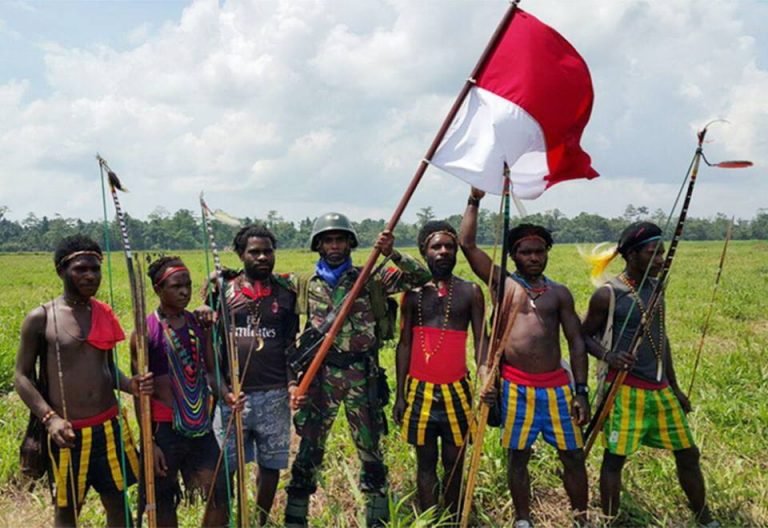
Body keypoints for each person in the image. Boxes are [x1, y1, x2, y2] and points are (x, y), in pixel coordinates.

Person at [284, 212, 431, 528]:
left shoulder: (373, 277)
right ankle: (295, 519)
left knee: (370, 450)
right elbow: (262, 281)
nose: (335, 246)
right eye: (328, 240)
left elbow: (421, 276)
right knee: (309, 449)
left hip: (361, 376)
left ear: (350, 243)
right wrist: (222, 279)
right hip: (320, 377)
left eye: (340, 240)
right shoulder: (304, 283)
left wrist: (392, 252)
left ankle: (377, 520)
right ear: (318, 246)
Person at [459, 188, 590, 528]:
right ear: (514, 256)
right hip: (516, 387)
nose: (534, 257)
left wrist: (581, 391)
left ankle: (582, 518)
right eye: (525, 252)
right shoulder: (503, 284)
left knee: (573, 455)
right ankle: (523, 520)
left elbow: (576, 342)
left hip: (557, 388)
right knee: (518, 457)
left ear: (547, 253)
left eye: (539, 251)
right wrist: (474, 200)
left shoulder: (559, 293)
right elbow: (467, 245)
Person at [581, 221, 718, 527]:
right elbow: (581, 335)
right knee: (614, 460)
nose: (660, 260)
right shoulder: (609, 294)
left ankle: (705, 518)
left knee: (688, 454)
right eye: (652, 253)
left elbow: (661, 340)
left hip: (660, 388)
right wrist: (609, 356)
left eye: (662, 253)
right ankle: (611, 521)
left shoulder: (656, 288)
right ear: (631, 255)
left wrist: (675, 387)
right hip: (624, 390)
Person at [14, 235, 152, 527]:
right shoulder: (41, 318)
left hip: (109, 428)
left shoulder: (102, 312)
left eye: (95, 269)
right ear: (61, 271)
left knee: (118, 502)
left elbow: (107, 368)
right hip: (67, 433)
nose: (90, 276)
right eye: (80, 269)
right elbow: (21, 376)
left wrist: (130, 385)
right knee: (67, 510)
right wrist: (50, 419)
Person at [393, 220, 487, 519]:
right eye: (437, 246)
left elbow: (482, 341)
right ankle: (429, 518)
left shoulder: (471, 292)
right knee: (425, 462)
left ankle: (455, 516)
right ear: (425, 251)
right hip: (419, 390)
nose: (444, 251)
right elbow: (404, 345)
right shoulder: (412, 294)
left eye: (449, 246)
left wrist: (486, 378)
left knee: (454, 461)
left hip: (457, 389)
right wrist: (400, 394)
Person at [209, 225, 300, 526]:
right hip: (234, 396)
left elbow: (290, 344)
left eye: (268, 251)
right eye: (254, 252)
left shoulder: (286, 294)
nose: (262, 257)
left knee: (270, 465)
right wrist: (222, 390)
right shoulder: (222, 291)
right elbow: (211, 345)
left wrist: (291, 382)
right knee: (226, 468)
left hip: (275, 394)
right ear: (240, 254)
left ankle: (259, 521)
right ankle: (228, 520)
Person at [136, 256, 236, 527]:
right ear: (158, 289)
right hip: (164, 428)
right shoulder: (146, 332)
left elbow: (211, 372)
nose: (184, 292)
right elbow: (140, 392)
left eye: (188, 285)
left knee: (220, 491)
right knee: (163, 498)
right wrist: (149, 442)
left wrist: (227, 395)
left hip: (200, 426)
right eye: (176, 286)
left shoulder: (198, 324)